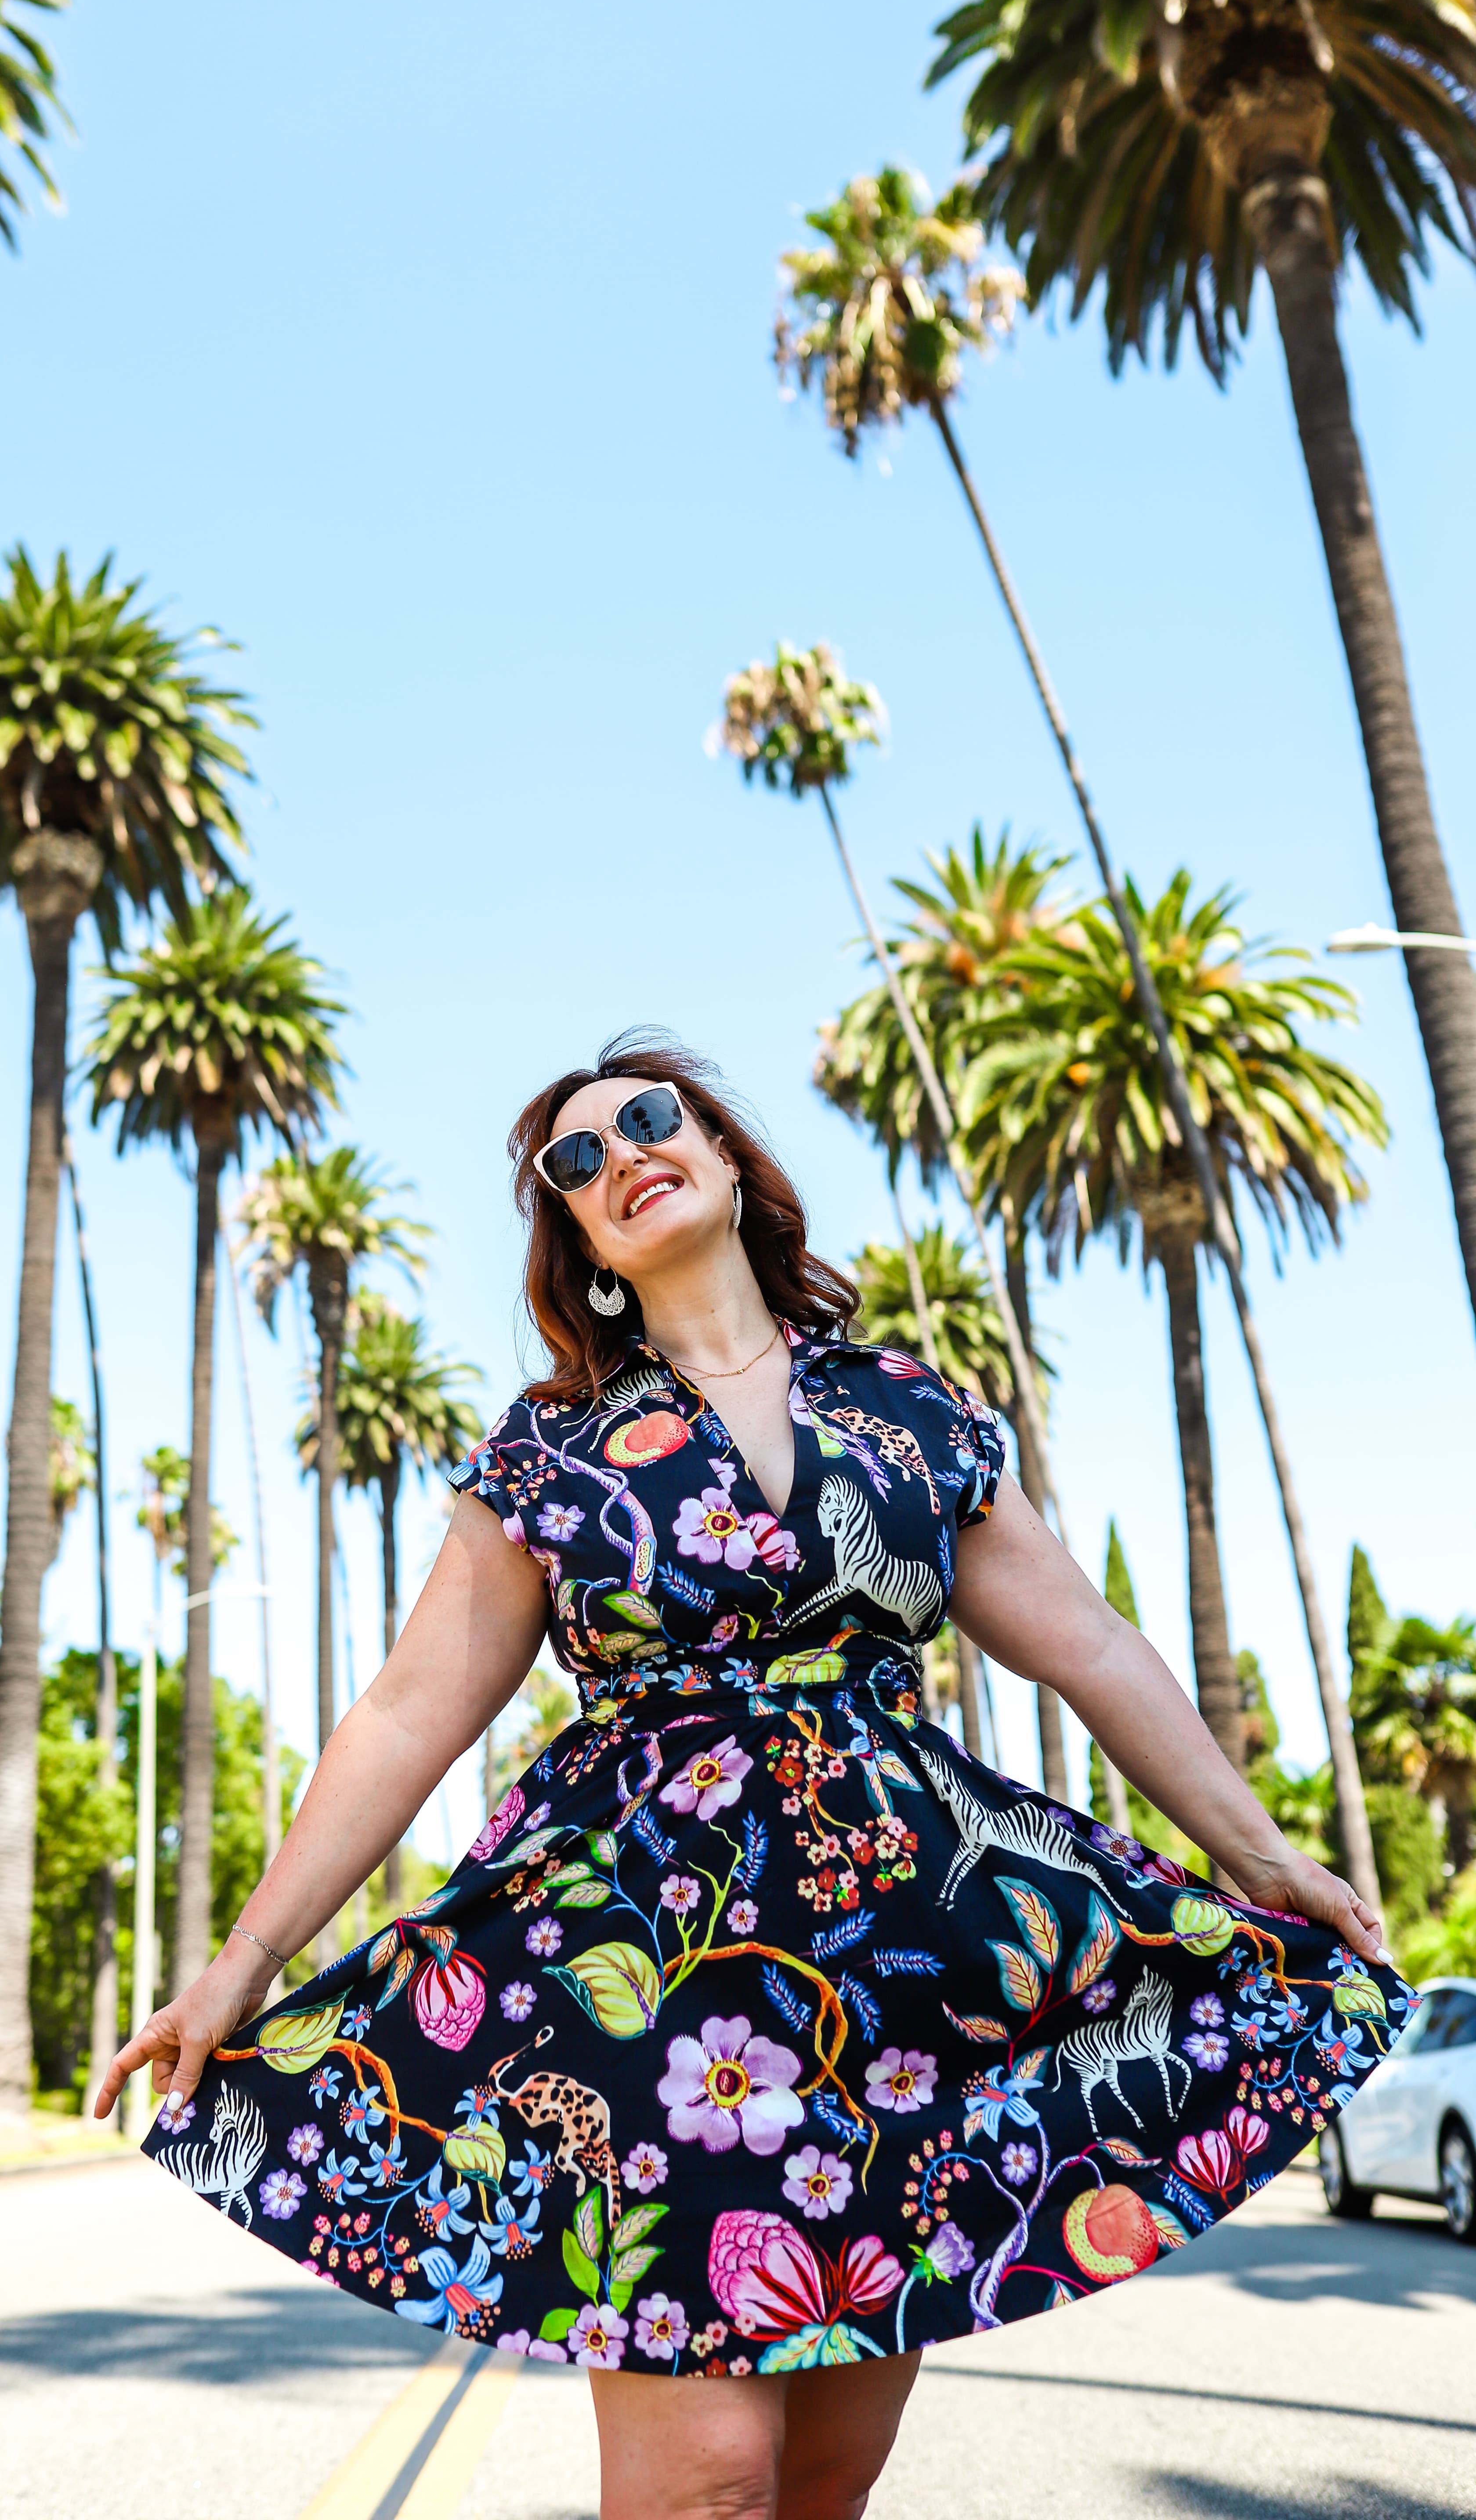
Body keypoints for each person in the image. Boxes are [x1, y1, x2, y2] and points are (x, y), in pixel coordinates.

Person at [98, 1031, 1411, 2520]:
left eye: (648, 1121)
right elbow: (407, 1715)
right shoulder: (551, 1451)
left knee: (824, 2480)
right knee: (708, 2481)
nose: (619, 1157)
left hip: (901, 1969)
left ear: (725, 1159)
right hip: (654, 1973)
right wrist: (245, 1961)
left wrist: (1261, 1860)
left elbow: (1092, 1650)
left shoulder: (909, 1412)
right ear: (581, 1240)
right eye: (575, 1163)